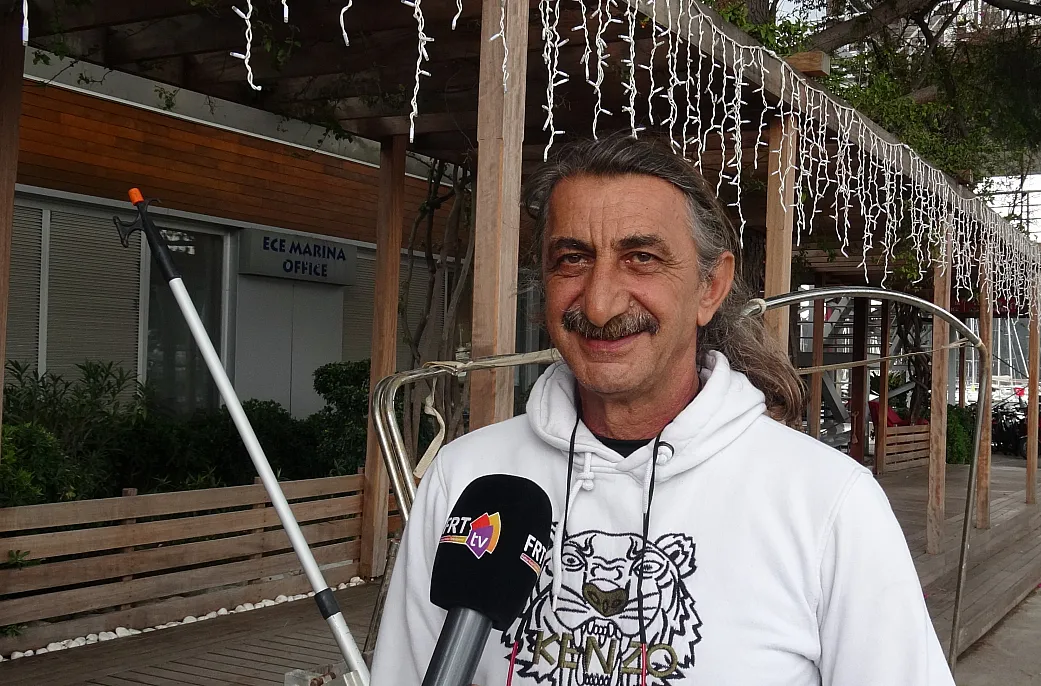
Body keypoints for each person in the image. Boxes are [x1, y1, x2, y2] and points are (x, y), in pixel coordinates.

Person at [371, 134, 954, 685]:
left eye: (642, 258)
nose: (599, 304)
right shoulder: (467, 480)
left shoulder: (828, 505)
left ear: (710, 287)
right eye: (572, 259)